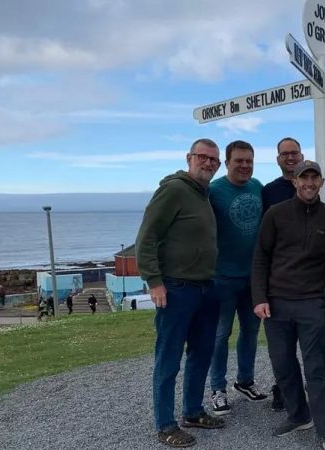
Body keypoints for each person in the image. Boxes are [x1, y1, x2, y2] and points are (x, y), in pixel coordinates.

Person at [136, 138, 225, 448]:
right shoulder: (173, 190)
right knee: (169, 359)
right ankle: (165, 424)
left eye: (214, 159)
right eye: (203, 157)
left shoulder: (204, 194)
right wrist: (154, 281)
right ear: (189, 157)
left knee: (201, 354)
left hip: (206, 288)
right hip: (175, 289)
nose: (209, 163)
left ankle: (193, 411)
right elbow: (146, 237)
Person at [252, 160, 325, 450]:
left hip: (313, 303)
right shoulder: (275, 214)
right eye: (304, 178)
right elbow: (260, 258)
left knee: (316, 370)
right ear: (295, 181)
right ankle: (298, 415)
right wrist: (260, 298)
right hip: (277, 304)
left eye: (314, 178)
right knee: (282, 365)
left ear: (321, 182)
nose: (309, 183)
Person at [207, 140, 268, 416]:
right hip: (222, 277)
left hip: (253, 277)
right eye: (239, 161)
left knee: (251, 332)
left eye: (249, 161)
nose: (244, 165)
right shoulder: (213, 191)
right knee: (220, 335)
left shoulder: (257, 187)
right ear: (227, 162)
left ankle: (245, 381)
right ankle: (217, 389)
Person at [258, 136, 305, 411]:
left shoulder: (314, 184)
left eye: (294, 153)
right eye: (285, 154)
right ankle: (283, 388)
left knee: (312, 344)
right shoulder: (269, 191)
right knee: (282, 345)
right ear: (278, 159)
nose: (290, 158)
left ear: (301, 156)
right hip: (279, 277)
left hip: (311, 277)